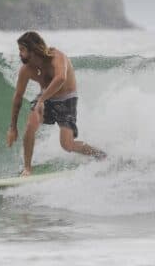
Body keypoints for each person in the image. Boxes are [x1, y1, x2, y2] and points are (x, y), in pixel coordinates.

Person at [6, 31, 105, 176]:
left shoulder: (57, 57)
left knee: (67, 145)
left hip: (67, 98)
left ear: (32, 50)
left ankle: (100, 155)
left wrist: (41, 100)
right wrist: (13, 127)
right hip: (45, 98)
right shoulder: (26, 70)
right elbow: (18, 97)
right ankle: (27, 169)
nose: (19, 54)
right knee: (31, 124)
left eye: (22, 50)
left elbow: (60, 78)